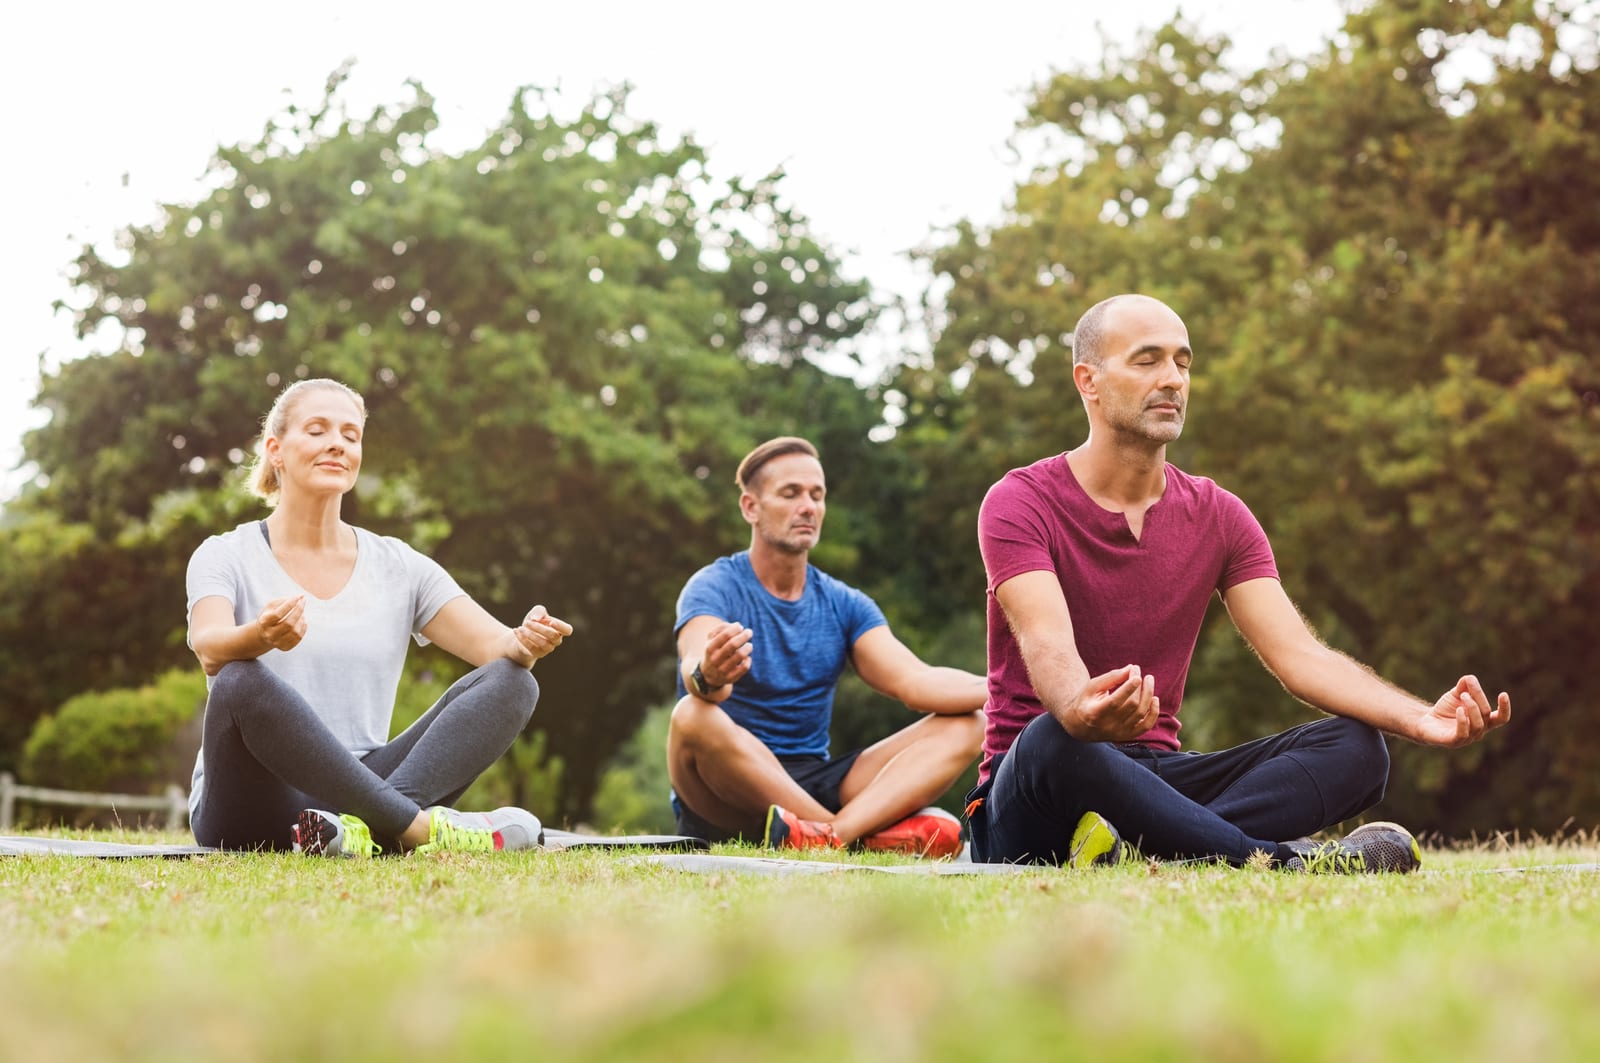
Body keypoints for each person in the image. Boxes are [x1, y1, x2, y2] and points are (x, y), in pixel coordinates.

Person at [968, 294, 1511, 873]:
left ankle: (1152, 852)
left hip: (1156, 775)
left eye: (1183, 362)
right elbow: (1047, 643)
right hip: (1037, 791)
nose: (1173, 379)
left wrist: (1420, 719)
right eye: (1147, 360)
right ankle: (1281, 863)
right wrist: (1080, 708)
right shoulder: (1020, 501)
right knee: (1056, 741)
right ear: (1089, 381)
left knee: (1358, 748)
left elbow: (1300, 656)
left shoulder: (1220, 515)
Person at [185, 378, 573, 856]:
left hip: (367, 784)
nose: (337, 444)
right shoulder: (224, 554)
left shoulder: (399, 564)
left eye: (351, 435)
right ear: (276, 450)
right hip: (250, 805)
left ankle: (362, 832)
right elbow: (209, 648)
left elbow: (499, 650)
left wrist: (526, 641)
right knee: (239, 679)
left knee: (515, 683)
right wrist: (259, 636)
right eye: (317, 430)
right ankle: (413, 830)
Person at [668, 437, 987, 857]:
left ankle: (829, 836)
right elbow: (699, 674)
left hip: (815, 779)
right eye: (791, 493)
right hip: (724, 791)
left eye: (817, 495)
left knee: (970, 723)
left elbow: (916, 682)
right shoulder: (714, 586)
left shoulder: (844, 603)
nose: (809, 506)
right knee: (692, 715)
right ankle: (852, 835)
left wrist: (1022, 685)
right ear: (750, 507)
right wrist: (708, 672)